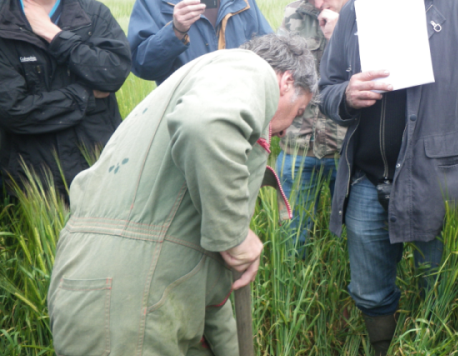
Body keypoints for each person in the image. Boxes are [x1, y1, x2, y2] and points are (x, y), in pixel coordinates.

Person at [48, 34, 315, 356]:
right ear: (286, 82)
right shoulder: (246, 70)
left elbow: (199, 275)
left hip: (131, 287)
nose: (287, 130)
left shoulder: (210, 110)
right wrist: (234, 233)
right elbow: (202, 122)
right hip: (130, 303)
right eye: (300, 111)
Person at [320, 0, 458, 356]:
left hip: (440, 187)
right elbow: (326, 91)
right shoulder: (354, 12)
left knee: (441, 285)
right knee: (368, 289)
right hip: (367, 181)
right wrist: (346, 95)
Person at [0, 0, 132, 199]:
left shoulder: (93, 13)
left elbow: (113, 73)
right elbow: (13, 110)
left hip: (100, 168)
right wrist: (84, 96)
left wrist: (55, 36)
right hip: (32, 181)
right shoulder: (4, 20)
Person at [276, 0, 347, 250]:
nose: (318, 3)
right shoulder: (294, 13)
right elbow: (276, 74)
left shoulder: (368, 14)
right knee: (292, 243)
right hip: (298, 146)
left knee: (355, 240)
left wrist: (341, 34)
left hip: (349, 151)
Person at [128, 0, 273, 85]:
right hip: (184, 119)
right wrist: (175, 31)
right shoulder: (152, 3)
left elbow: (270, 55)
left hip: (241, 114)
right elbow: (142, 66)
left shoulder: (244, 1)